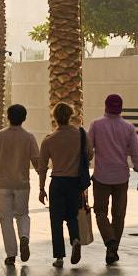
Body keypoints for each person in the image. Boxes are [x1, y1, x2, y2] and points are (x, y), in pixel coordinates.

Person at [86, 93, 138, 264]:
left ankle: (109, 241)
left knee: (100, 212)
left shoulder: (96, 125)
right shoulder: (129, 127)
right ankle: (113, 248)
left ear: (105, 106)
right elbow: (135, 153)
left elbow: (88, 151)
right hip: (121, 177)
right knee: (119, 215)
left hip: (101, 177)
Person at [0, 103, 42, 267]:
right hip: (22, 184)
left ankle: (11, 255)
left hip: (2, 184)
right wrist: (42, 175)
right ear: (24, 118)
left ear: (8, 117)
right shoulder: (29, 137)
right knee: (22, 214)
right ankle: (24, 236)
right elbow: (36, 161)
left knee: (6, 219)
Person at [37, 101, 90, 267]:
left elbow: (42, 166)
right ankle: (75, 239)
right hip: (75, 182)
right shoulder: (81, 134)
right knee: (72, 216)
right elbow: (89, 155)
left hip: (57, 182)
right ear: (70, 116)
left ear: (55, 117)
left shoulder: (49, 140)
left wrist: (41, 188)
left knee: (56, 219)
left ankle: (59, 257)